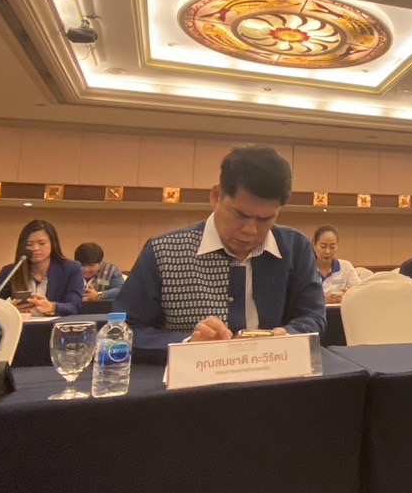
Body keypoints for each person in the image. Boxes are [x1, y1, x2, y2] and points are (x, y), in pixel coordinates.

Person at [114, 145, 325, 357]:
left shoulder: (295, 249)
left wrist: (288, 337)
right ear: (216, 196)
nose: (250, 230)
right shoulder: (164, 252)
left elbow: (313, 317)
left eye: (265, 219)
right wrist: (187, 344)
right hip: (193, 375)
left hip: (275, 371)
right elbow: (124, 330)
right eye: (241, 215)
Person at [0, 220, 84, 317]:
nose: (35, 248)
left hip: (54, 325)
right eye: (29, 244)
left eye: (42, 243)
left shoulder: (71, 269)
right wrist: (10, 310)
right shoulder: (11, 271)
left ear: (52, 244)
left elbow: (74, 305)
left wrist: (52, 307)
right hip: (22, 325)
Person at [312, 225, 357, 303]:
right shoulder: (305, 268)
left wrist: (347, 296)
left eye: (332, 247)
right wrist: (319, 299)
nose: (327, 251)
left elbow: (359, 291)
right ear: (314, 245)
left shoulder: (346, 267)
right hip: (314, 310)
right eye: (323, 247)